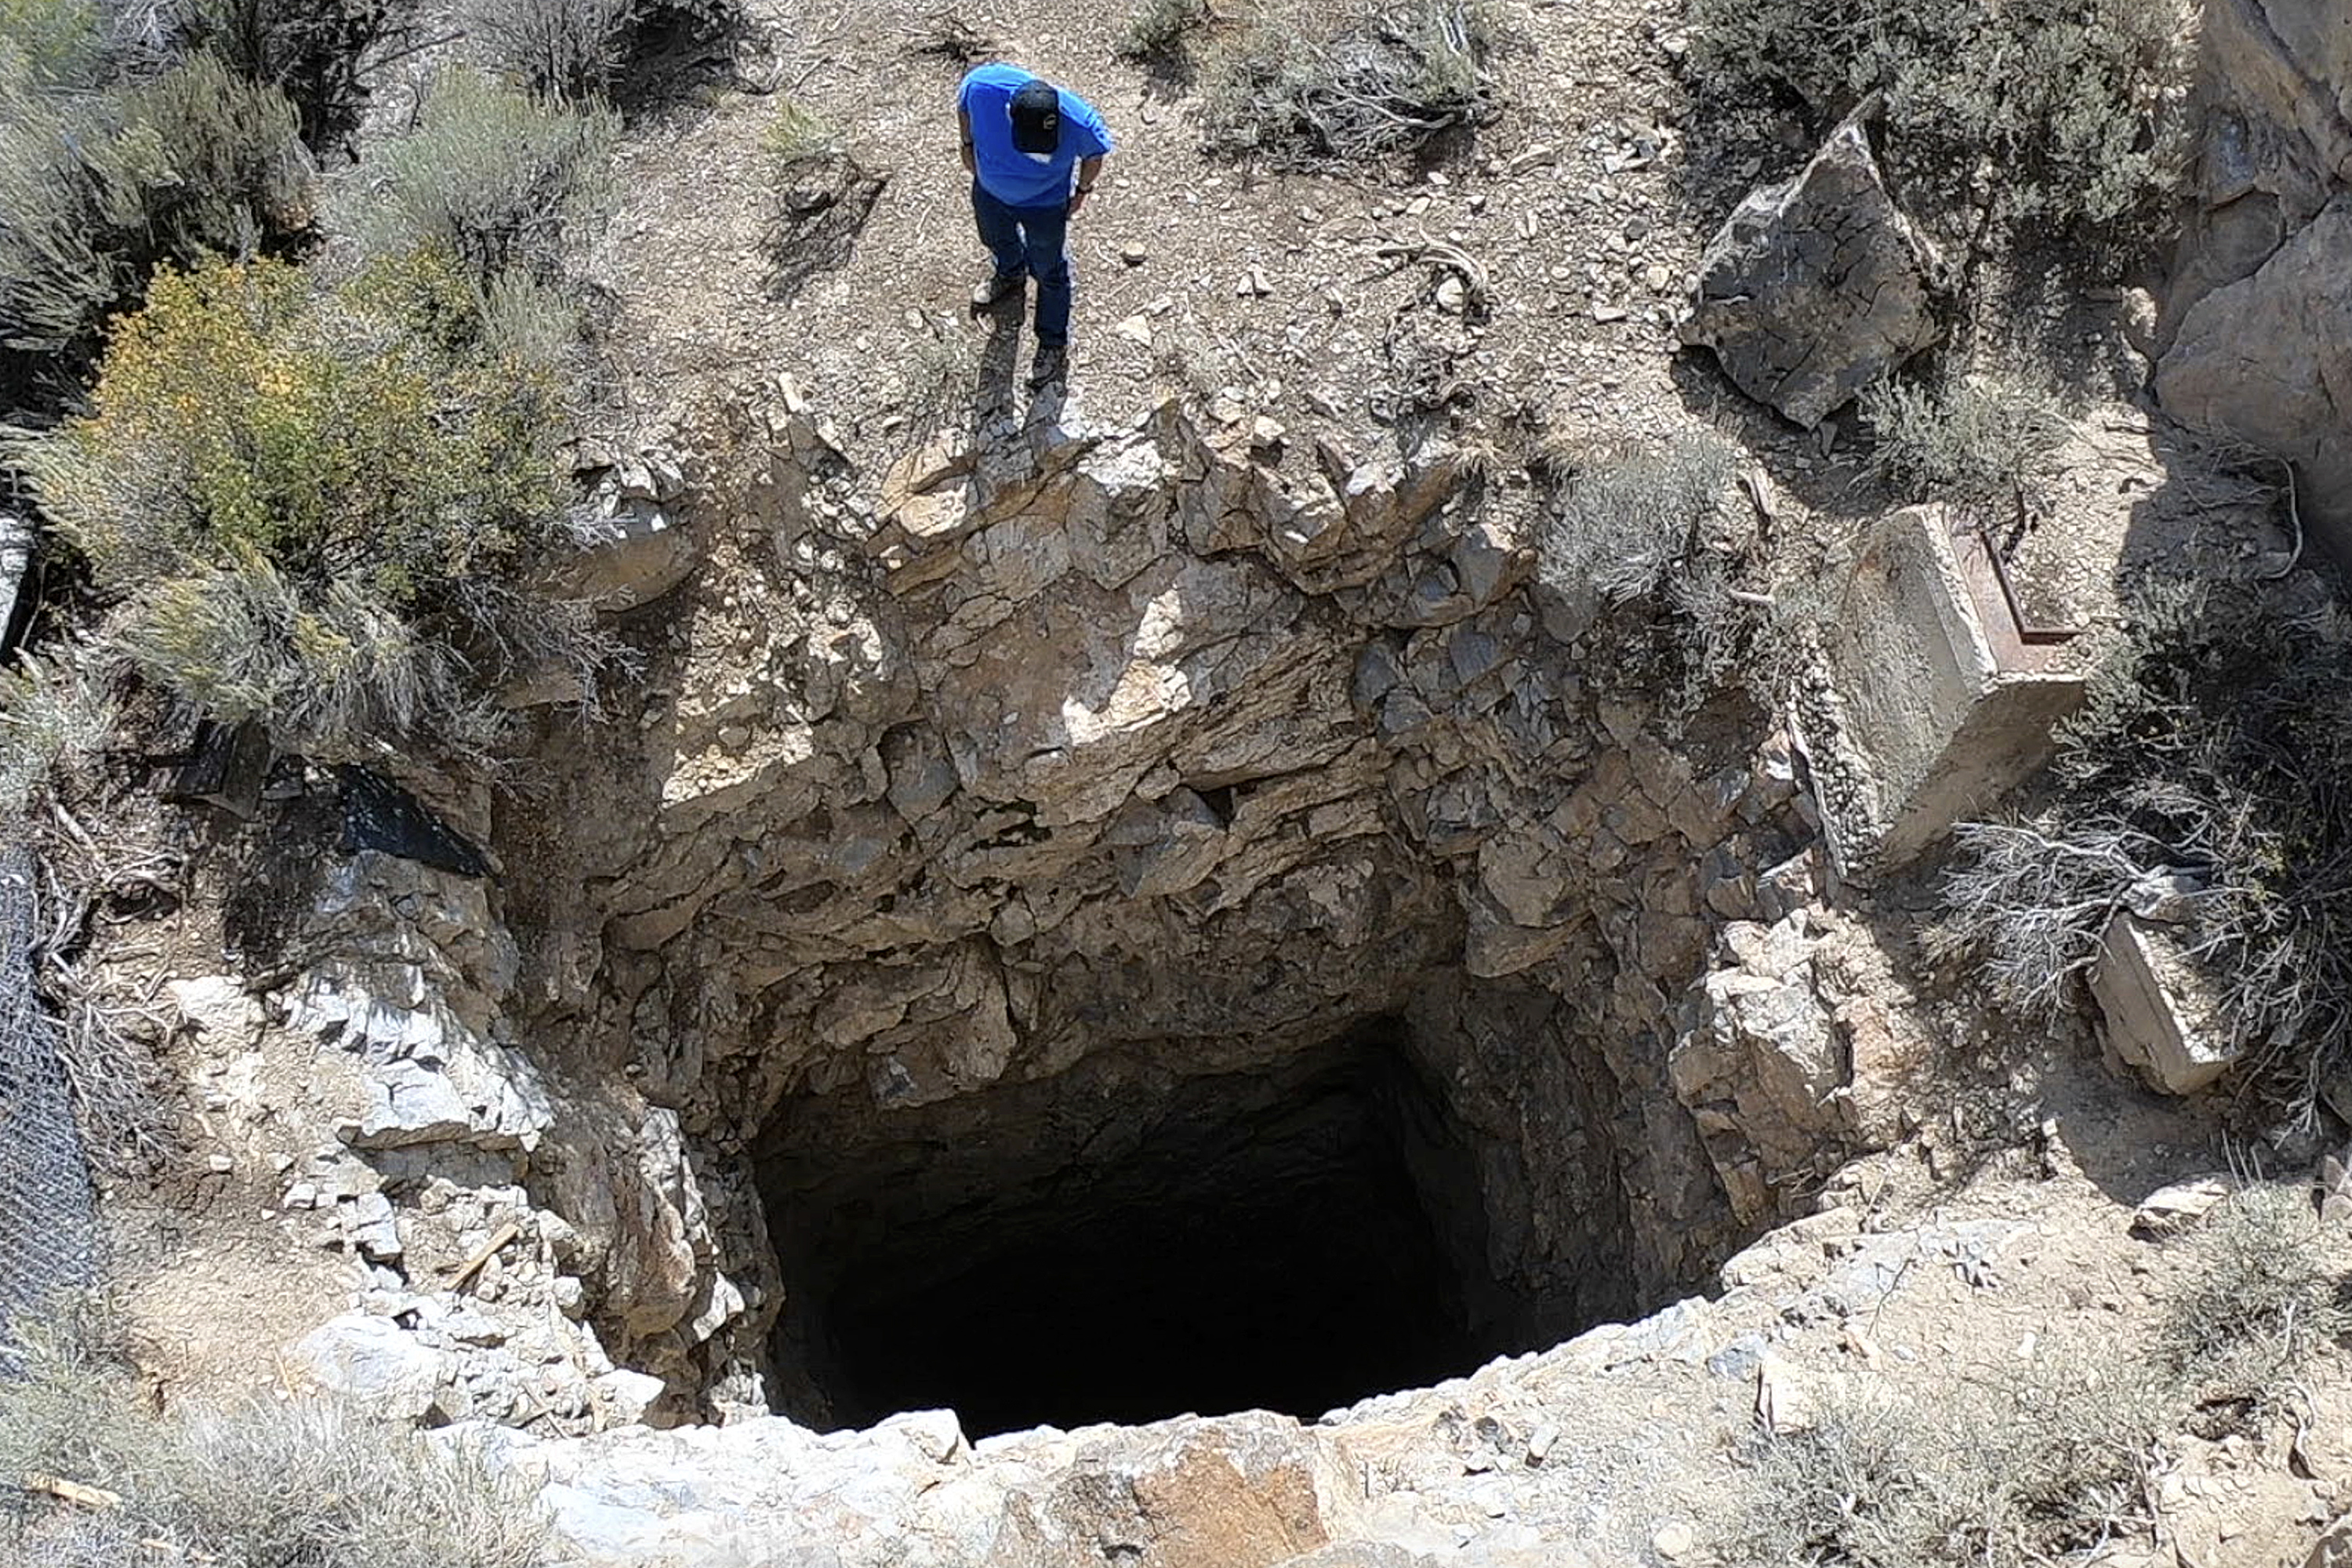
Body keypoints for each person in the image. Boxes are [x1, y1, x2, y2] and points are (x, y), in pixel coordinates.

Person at [956, 62, 1112, 389]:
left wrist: (1082, 191)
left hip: (1045, 205)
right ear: (1009, 113)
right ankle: (1010, 274)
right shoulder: (984, 89)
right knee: (995, 237)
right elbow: (963, 103)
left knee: (1050, 270)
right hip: (990, 191)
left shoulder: (1077, 120)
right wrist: (966, 145)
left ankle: (1052, 342)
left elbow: (1095, 153)